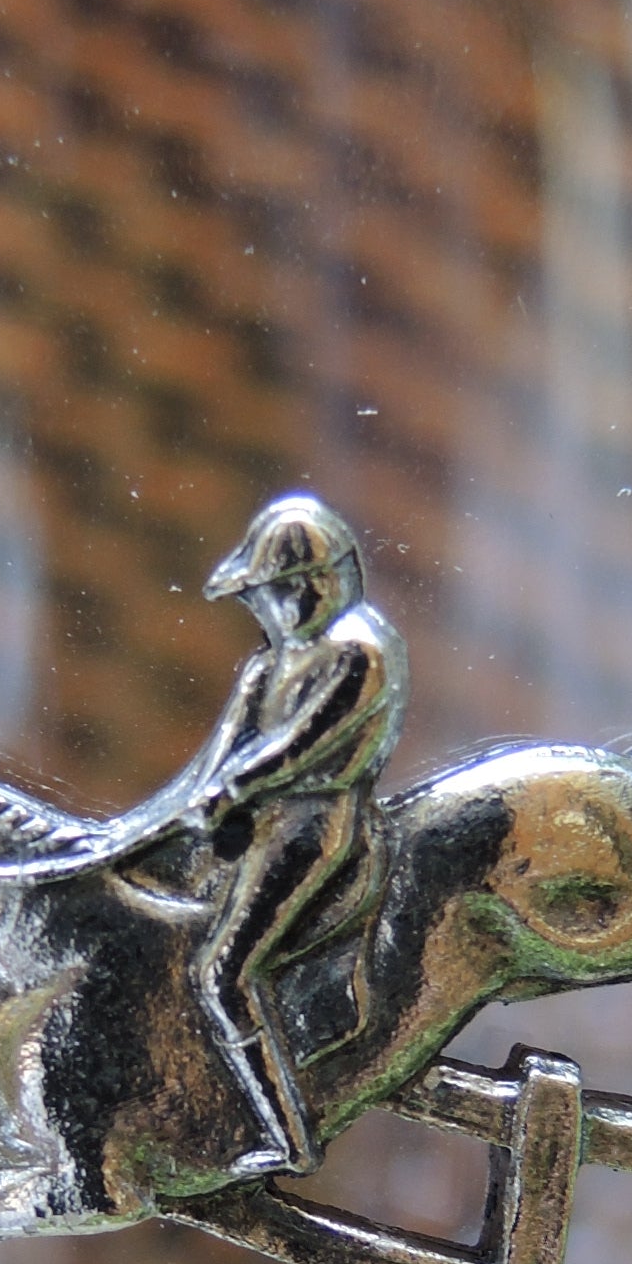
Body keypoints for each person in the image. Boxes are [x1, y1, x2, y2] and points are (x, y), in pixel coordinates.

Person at [174, 492, 407, 1177]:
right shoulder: (264, 668)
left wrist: (231, 790)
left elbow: (303, 746)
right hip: (247, 826)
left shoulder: (358, 652)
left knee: (225, 973)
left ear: (313, 586)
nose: (263, 611)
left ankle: (287, 1136)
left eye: (270, 594)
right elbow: (211, 765)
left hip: (311, 826)